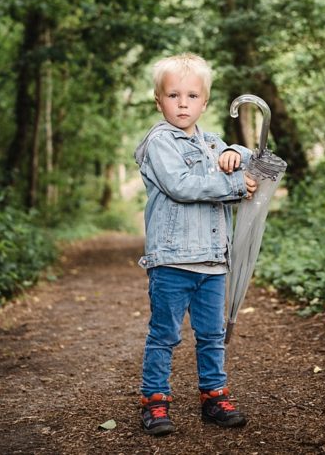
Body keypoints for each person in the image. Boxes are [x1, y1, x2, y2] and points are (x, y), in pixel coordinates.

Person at [132, 53, 259, 436]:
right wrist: (235, 185)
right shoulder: (160, 142)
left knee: (211, 334)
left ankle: (214, 396)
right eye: (173, 95)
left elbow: (248, 157)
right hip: (172, 260)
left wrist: (238, 152)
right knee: (165, 334)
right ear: (159, 100)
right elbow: (181, 186)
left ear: (205, 102)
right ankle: (154, 400)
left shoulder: (209, 141)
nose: (183, 103)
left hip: (213, 262)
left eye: (191, 96)